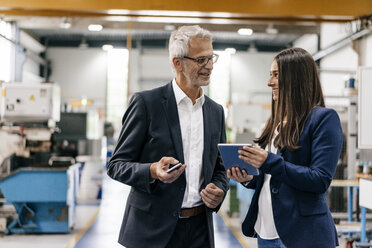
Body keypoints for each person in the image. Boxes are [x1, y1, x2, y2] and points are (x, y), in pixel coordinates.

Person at [107, 25, 229, 248]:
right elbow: (116, 165)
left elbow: (220, 168)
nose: (210, 66)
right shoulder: (146, 104)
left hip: (200, 230)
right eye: (201, 60)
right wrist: (152, 170)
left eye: (211, 58)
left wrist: (219, 188)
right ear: (177, 62)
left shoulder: (215, 111)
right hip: (152, 231)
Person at [227, 47, 343, 248]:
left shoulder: (324, 119)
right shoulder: (276, 122)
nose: (269, 82)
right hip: (267, 232)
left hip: (302, 234)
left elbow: (320, 179)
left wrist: (268, 162)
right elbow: (273, 180)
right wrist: (249, 178)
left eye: (276, 75)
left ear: (295, 78)